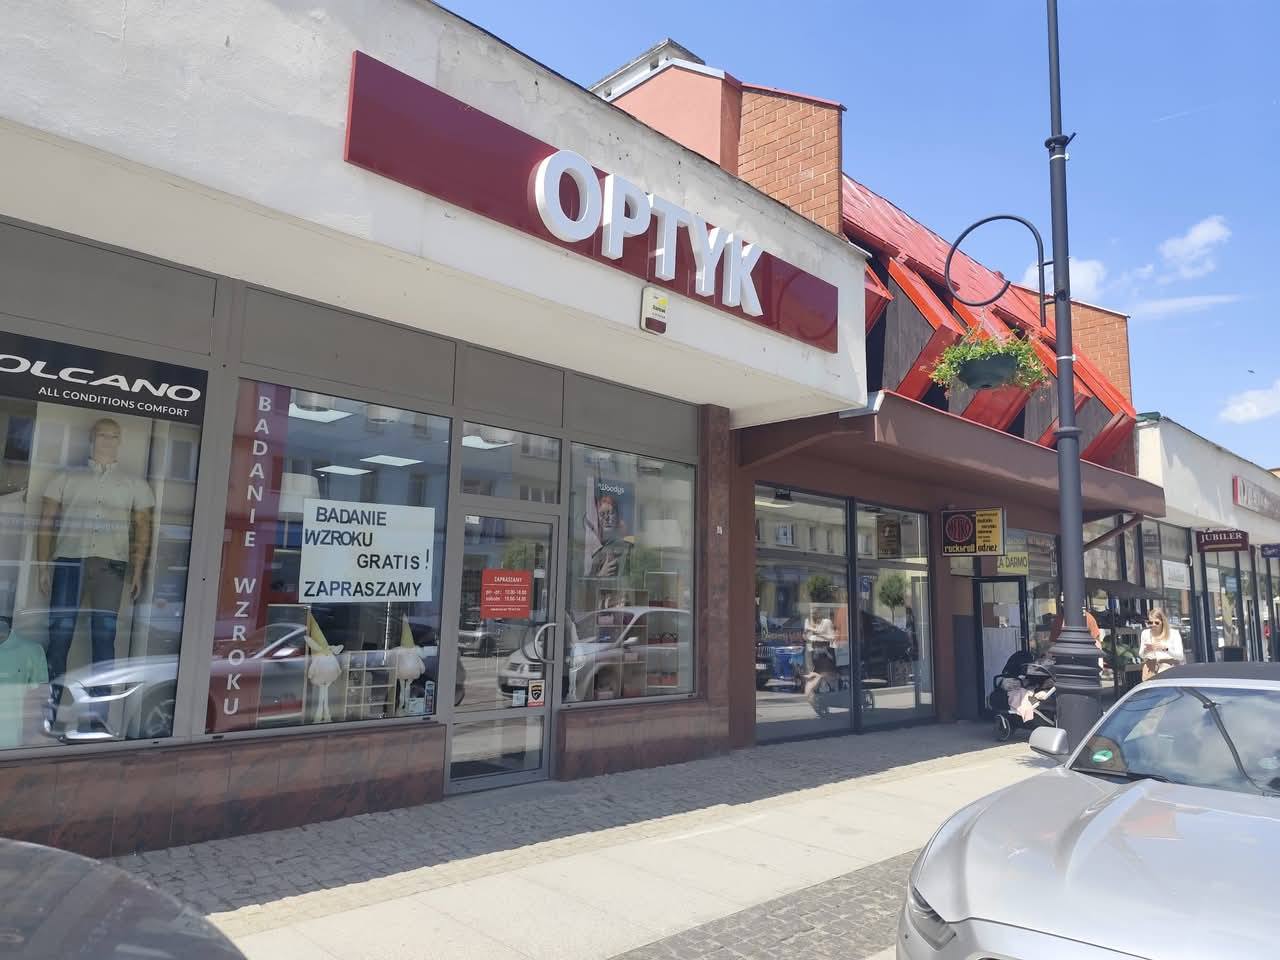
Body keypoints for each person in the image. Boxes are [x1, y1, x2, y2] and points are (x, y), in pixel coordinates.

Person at [36, 418, 154, 692]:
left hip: (112, 566)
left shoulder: (134, 484)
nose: (107, 441)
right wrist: (43, 566)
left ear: (120, 441)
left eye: (113, 436)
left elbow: (143, 530)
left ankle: (99, 713)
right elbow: (46, 523)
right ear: (92, 437)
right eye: (102, 435)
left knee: (104, 638)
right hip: (69, 562)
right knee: (59, 636)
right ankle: (48, 709)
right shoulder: (66, 477)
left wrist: (137, 571)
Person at [587, 493, 633, 578]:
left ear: (617, 517)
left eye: (610, 513)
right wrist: (601, 575)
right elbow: (589, 583)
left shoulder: (627, 547)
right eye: (602, 514)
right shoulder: (599, 553)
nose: (606, 518)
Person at [1139, 608, 1184, 681]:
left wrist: (1165, 648)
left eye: (1156, 623)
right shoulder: (1145, 633)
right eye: (1150, 622)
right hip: (1150, 669)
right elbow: (1141, 655)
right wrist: (1146, 650)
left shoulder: (1173, 633)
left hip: (1168, 668)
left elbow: (1180, 656)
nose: (1153, 625)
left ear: (1163, 622)